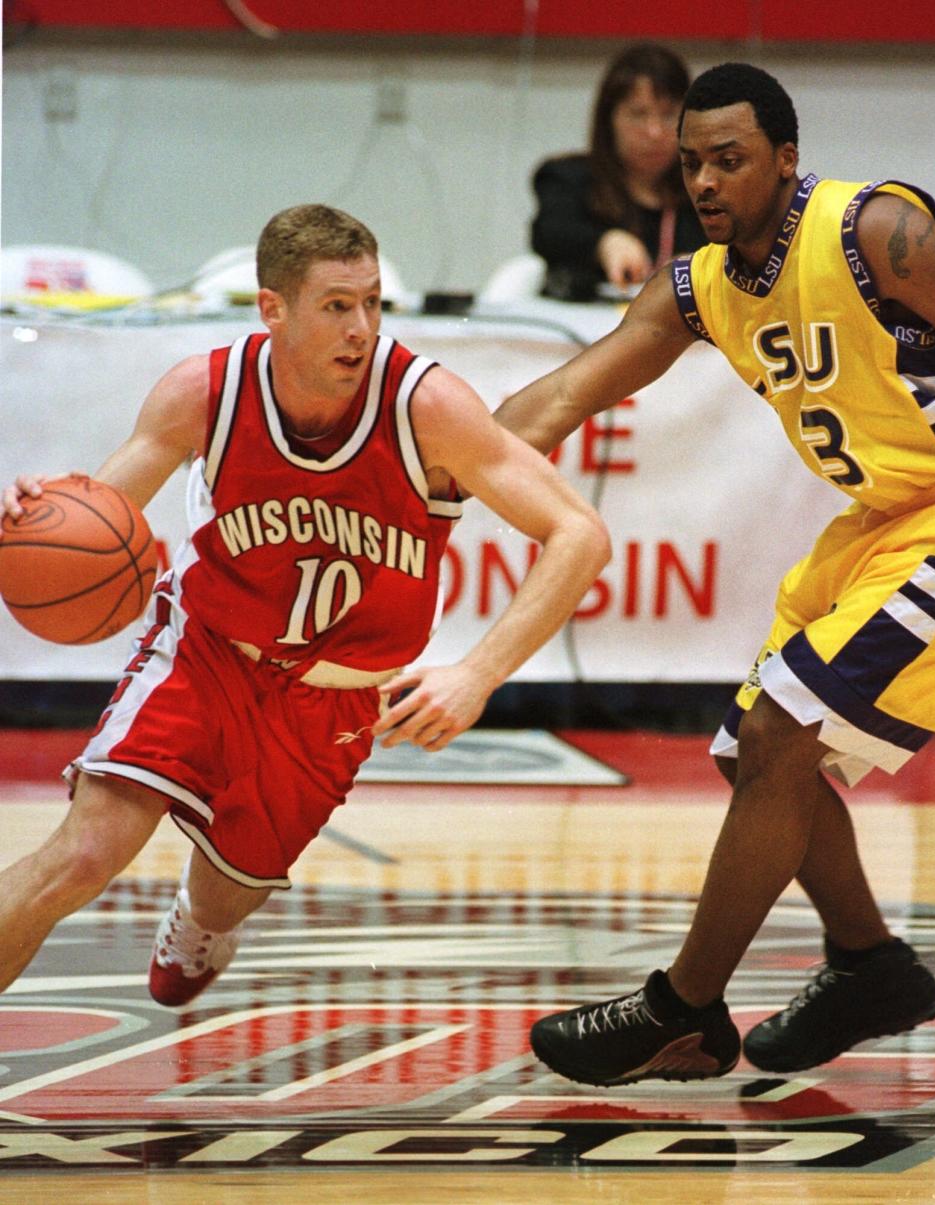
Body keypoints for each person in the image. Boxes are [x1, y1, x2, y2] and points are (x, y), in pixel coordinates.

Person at [0, 203, 610, 1007]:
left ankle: (203, 913)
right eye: (336, 306)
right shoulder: (205, 391)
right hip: (205, 654)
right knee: (83, 855)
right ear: (272, 307)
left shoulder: (424, 406)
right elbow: (104, 515)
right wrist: (38, 515)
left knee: (228, 893)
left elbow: (580, 534)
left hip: (331, 704)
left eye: (372, 302)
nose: (361, 327)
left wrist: (478, 673)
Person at [498, 62, 935, 1085]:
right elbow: (568, 390)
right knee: (748, 753)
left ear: (786, 161)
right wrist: (423, 472)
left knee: (779, 729)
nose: (703, 181)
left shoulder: (875, 230)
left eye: (730, 160)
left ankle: (683, 1007)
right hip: (886, 519)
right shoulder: (699, 285)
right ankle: (867, 961)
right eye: (694, 162)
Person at [531, 42, 707, 301]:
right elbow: (549, 232)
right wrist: (603, 243)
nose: (654, 132)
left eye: (669, 115)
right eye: (638, 115)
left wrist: (705, 265)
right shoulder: (568, 178)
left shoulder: (704, 190)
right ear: (609, 120)